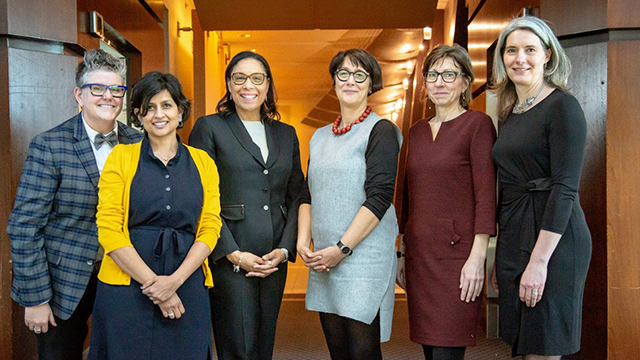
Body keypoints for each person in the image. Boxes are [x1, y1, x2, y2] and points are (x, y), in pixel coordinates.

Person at [6, 49, 143, 360]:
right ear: (79, 95)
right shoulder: (50, 145)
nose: (108, 97)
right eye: (98, 88)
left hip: (124, 274)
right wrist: (36, 299)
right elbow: (24, 227)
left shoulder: (139, 143)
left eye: (116, 90)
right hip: (63, 281)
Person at [88, 71, 222, 359]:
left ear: (181, 111)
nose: (158, 114)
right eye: (148, 108)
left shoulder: (204, 162)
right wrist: (155, 285)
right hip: (126, 288)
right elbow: (108, 229)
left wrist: (173, 282)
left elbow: (210, 226)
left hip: (187, 284)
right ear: (138, 115)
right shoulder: (120, 158)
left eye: (166, 105)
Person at [189, 51, 305, 360]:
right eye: (239, 78)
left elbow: (297, 195)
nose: (248, 86)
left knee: (264, 345)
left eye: (257, 78)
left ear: (268, 85)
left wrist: (284, 250)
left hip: (274, 258)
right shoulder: (210, 127)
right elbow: (200, 193)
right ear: (228, 84)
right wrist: (231, 252)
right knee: (238, 348)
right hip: (230, 257)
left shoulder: (286, 133)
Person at [490, 16, 591, 359]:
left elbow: (565, 189)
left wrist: (539, 261)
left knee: (544, 349)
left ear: (547, 55)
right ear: (502, 58)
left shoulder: (563, 107)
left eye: (530, 50)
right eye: (512, 50)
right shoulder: (511, 111)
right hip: (517, 234)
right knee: (525, 346)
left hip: (554, 242)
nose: (520, 58)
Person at [297, 48, 402, 360]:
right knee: (338, 350)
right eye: (343, 74)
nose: (351, 81)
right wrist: (304, 241)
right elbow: (307, 195)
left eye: (360, 75)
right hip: (324, 258)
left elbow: (380, 197)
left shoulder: (381, 131)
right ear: (334, 82)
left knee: (362, 352)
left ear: (372, 84)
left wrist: (341, 249)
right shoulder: (318, 137)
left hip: (361, 258)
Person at [396, 44, 496, 360]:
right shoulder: (416, 131)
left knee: (447, 351)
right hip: (420, 258)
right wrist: (401, 250)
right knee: (429, 349)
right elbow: (407, 195)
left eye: (449, 74)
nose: (439, 82)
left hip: (458, 259)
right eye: (433, 74)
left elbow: (486, 194)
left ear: (465, 82)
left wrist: (477, 259)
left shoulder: (477, 125)